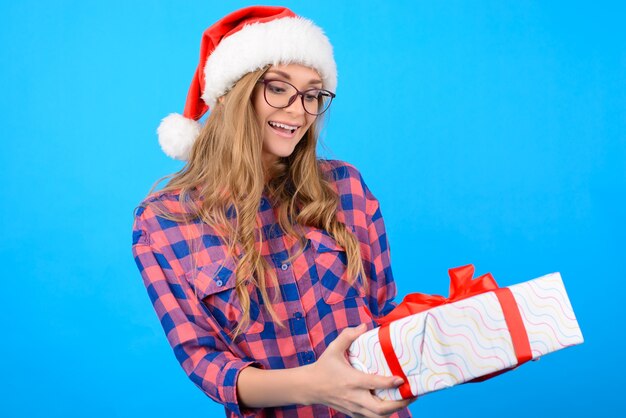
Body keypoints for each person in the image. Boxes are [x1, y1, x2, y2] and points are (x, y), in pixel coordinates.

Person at [131, 6, 415, 418]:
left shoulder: (345, 188)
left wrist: (460, 351)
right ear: (229, 95)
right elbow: (205, 363)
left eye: (313, 94)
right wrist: (313, 386)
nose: (299, 111)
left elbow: (384, 317)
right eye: (278, 89)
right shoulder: (163, 222)